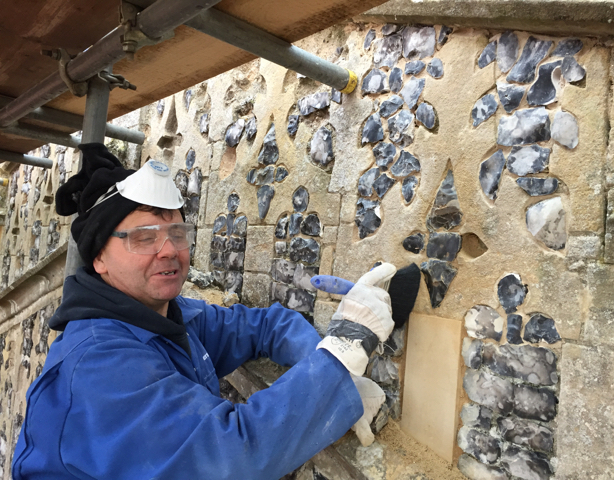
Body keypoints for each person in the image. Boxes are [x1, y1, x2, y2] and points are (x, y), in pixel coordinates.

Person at [11, 143, 397, 480]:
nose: (168, 251)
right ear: (98, 258)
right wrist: (344, 348)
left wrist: (327, 376)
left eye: (177, 234)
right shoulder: (98, 366)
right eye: (144, 238)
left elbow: (264, 326)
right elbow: (230, 457)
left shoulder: (167, 318)